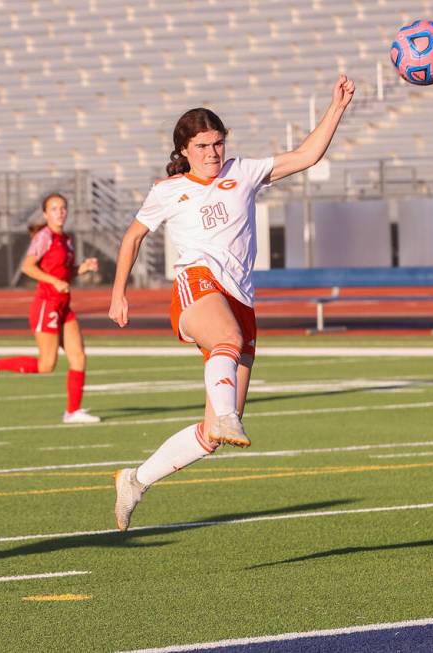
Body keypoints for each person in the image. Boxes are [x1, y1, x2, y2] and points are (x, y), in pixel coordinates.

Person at [108, 74, 355, 531]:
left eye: (218, 143)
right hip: (196, 287)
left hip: (240, 301)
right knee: (226, 344)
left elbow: (306, 155)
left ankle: (135, 480)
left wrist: (336, 108)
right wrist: (119, 291)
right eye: (203, 146)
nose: (213, 153)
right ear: (184, 150)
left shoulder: (243, 172)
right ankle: (226, 416)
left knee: (211, 437)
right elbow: (133, 237)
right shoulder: (168, 191)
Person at [0, 193, 101, 424]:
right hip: (47, 304)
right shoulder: (44, 237)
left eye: (63, 208)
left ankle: (72, 412)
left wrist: (83, 268)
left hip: (63, 305)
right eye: (54, 209)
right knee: (46, 364)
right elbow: (27, 267)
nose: (59, 212)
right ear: (45, 213)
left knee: (78, 357)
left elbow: (65, 272)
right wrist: (53, 281)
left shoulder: (67, 239)